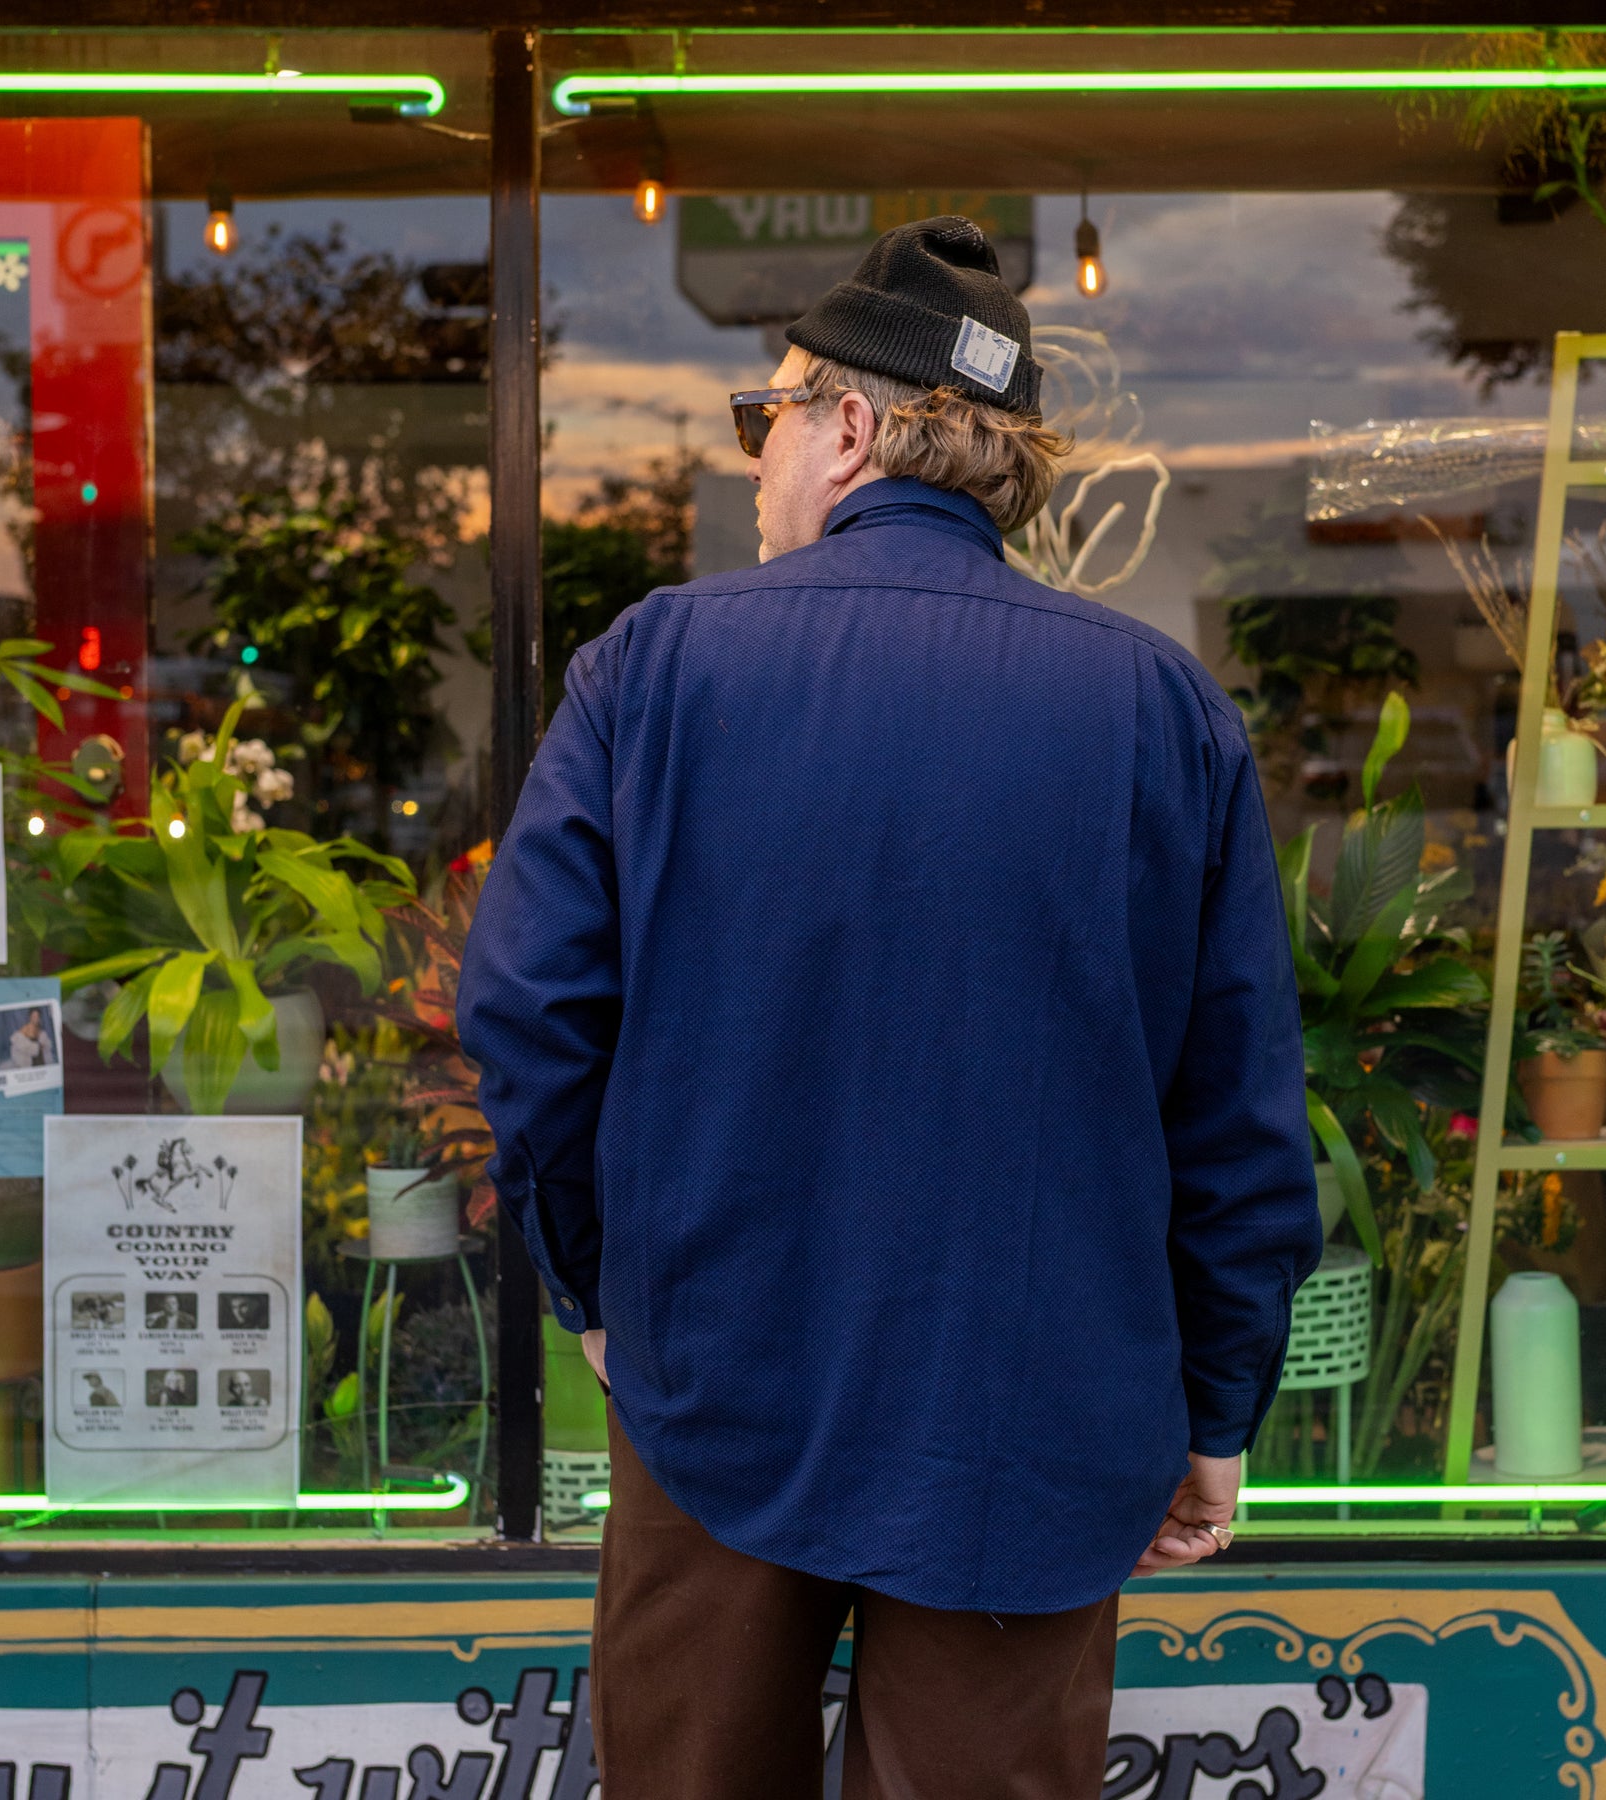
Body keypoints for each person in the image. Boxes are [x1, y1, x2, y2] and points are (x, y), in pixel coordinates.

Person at [459, 215, 1321, 1800]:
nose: (755, 462)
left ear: (849, 424)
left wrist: (600, 1292)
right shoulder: (1165, 711)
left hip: (714, 1381)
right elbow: (1237, 1111)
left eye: (765, 417)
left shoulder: (658, 668)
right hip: (1038, 1413)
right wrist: (1215, 1409)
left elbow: (527, 1011)